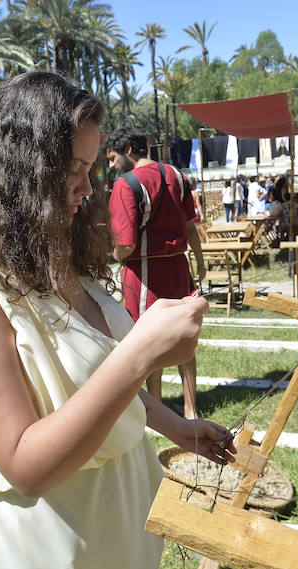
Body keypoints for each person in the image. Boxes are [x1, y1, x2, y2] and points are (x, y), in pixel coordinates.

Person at [0, 73, 234, 569]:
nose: (88, 187)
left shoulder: (48, 256)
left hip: (106, 546)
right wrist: (142, 350)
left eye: (92, 169)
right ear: (20, 171)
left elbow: (85, 376)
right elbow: (24, 463)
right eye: (73, 170)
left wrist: (174, 425)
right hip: (35, 559)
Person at [105, 126, 206, 420]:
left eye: (112, 158)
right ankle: (190, 409)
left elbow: (124, 243)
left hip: (144, 272)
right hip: (178, 266)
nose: (111, 166)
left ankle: (156, 409)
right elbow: (190, 226)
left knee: (149, 340)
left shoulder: (126, 184)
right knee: (185, 336)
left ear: (128, 151)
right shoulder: (177, 175)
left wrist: (113, 257)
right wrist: (199, 261)